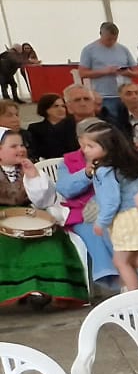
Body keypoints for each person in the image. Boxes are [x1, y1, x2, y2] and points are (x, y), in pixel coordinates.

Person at [0, 127, 89, 307]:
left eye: (22, 145)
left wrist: (33, 176)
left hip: (31, 213)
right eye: (13, 146)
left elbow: (44, 200)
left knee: (49, 239)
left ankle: (40, 288)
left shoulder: (29, 168)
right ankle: (16, 288)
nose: (21, 149)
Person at [77, 119, 138, 293]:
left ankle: (135, 298)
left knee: (121, 262)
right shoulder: (129, 164)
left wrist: (101, 221)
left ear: (107, 147)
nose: (85, 150)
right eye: (84, 146)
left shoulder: (105, 171)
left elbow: (110, 200)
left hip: (126, 219)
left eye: (90, 146)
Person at [77, 22, 136, 102]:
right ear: (101, 34)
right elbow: (82, 73)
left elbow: (137, 72)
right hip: (103, 96)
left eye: (115, 39)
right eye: (108, 39)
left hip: (125, 95)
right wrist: (105, 71)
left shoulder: (123, 49)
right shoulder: (89, 50)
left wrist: (126, 72)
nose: (112, 42)